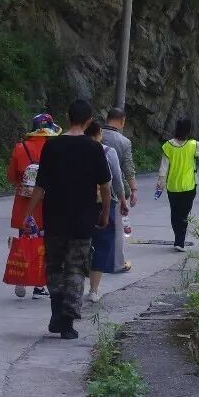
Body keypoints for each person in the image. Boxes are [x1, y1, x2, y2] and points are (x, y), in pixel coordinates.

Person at [23, 100, 110, 340]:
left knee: (55, 266)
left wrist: (28, 213)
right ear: (89, 121)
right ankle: (67, 321)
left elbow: (40, 185)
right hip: (83, 219)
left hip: (54, 217)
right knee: (75, 268)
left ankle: (56, 311)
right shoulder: (94, 148)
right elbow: (105, 186)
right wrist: (104, 212)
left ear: (68, 117)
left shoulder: (52, 146)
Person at [5, 112, 59, 300]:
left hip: (24, 205)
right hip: (46, 204)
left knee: (25, 240)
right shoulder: (54, 148)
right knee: (44, 244)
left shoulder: (20, 148)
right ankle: (39, 285)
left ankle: (21, 279)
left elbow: (11, 176)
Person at [85, 120, 126, 303]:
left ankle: (75, 286)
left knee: (79, 243)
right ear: (99, 133)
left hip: (79, 204)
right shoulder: (108, 152)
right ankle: (93, 290)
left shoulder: (76, 150)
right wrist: (123, 199)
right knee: (101, 245)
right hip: (103, 204)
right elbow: (116, 179)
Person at [158, 118, 199, 251]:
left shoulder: (168, 145)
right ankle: (180, 241)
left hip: (173, 186)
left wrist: (160, 183)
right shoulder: (194, 144)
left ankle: (178, 239)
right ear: (189, 130)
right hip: (189, 186)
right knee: (184, 214)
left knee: (175, 213)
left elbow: (163, 168)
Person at [100, 109, 136, 273]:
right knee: (116, 229)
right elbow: (128, 168)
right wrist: (134, 189)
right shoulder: (124, 142)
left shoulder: (96, 135)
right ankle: (118, 263)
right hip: (114, 190)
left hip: (91, 189)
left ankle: (91, 262)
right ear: (122, 121)